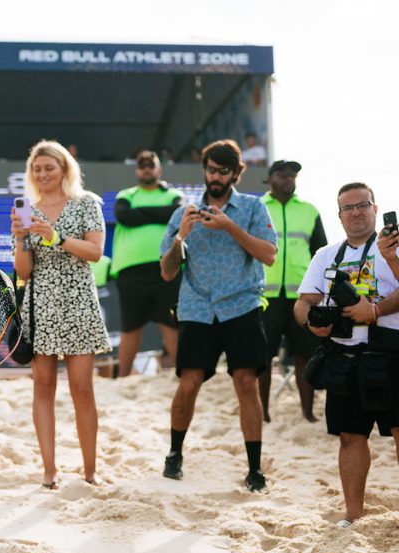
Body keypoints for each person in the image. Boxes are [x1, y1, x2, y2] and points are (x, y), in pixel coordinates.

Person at [158, 139, 277, 491]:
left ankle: (254, 468)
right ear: (204, 170)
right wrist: (181, 237)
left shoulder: (254, 208)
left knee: (246, 382)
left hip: (242, 305)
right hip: (197, 308)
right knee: (189, 382)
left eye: (223, 171)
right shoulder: (185, 211)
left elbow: (269, 255)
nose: (216, 176)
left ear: (236, 173)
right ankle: (174, 453)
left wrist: (230, 227)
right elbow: (166, 272)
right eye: (211, 169)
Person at [294, 182, 399, 526]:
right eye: (348, 208)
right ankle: (353, 515)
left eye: (362, 205)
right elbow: (303, 301)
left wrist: (376, 310)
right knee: (350, 436)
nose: (356, 212)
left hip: (391, 349)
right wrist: (313, 323)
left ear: (374, 207)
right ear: (338, 215)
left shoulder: (392, 245)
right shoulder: (326, 254)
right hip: (344, 354)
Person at [11, 140, 111, 488]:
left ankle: (89, 470)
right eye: (36, 169)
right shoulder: (27, 208)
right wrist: (22, 239)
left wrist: (54, 237)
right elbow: (23, 272)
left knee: (82, 388)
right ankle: (49, 471)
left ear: (65, 169)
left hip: (78, 301)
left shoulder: (86, 204)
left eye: (49, 168)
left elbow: (95, 252)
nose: (42, 174)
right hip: (40, 304)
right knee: (43, 386)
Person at [258, 160, 327, 423]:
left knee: (305, 355)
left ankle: (308, 413)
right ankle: (262, 412)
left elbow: (321, 253)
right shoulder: (258, 208)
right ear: (270, 178)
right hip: (265, 297)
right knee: (262, 357)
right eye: (282, 174)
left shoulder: (309, 210)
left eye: (293, 174)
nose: (289, 178)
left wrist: (319, 291)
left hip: (302, 297)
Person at [111, 150, 184, 377]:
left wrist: (140, 214)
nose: (146, 169)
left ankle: (182, 374)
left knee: (171, 324)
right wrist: (159, 215)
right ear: (136, 170)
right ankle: (122, 378)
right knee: (130, 326)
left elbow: (176, 213)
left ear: (159, 168)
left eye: (150, 165)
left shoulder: (173, 194)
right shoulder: (126, 194)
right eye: (141, 165)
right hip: (130, 270)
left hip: (167, 267)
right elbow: (124, 216)